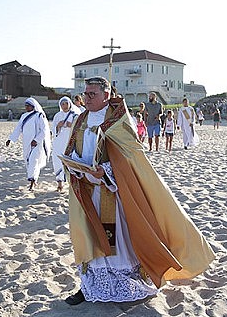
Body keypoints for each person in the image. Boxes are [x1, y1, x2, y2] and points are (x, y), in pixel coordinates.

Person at [63, 76, 215, 305]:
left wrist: (104, 172)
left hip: (110, 193)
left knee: (112, 239)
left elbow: (131, 156)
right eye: (85, 94)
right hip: (85, 190)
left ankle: (123, 284)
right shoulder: (81, 118)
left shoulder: (119, 120)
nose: (87, 98)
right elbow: (73, 147)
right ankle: (88, 287)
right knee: (89, 238)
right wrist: (73, 164)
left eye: (92, 94)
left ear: (106, 95)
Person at [6, 97, 51, 191]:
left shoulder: (39, 116)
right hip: (26, 143)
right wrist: (11, 139)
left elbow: (44, 130)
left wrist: (37, 140)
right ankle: (33, 179)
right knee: (28, 161)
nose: (26, 107)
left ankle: (32, 182)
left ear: (33, 106)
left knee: (33, 161)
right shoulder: (23, 116)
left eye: (28, 105)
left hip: (36, 144)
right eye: (25, 106)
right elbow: (18, 129)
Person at [52, 96, 81, 192]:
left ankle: (72, 183)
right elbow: (53, 130)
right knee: (57, 160)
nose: (64, 106)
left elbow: (80, 128)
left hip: (70, 142)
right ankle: (60, 183)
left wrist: (71, 125)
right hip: (59, 142)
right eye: (62, 104)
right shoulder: (57, 115)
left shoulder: (75, 114)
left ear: (70, 104)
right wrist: (58, 126)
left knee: (70, 160)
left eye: (66, 103)